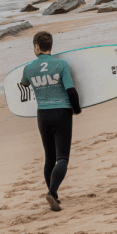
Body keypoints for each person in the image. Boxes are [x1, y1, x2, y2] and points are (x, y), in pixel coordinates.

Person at [20, 31, 81, 212]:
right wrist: (76, 110)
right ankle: (52, 191)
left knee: (49, 158)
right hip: (62, 112)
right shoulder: (61, 65)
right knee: (62, 158)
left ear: (37, 46)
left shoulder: (28, 68)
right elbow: (71, 90)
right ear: (50, 46)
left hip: (43, 115)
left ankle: (53, 195)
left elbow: (23, 84)